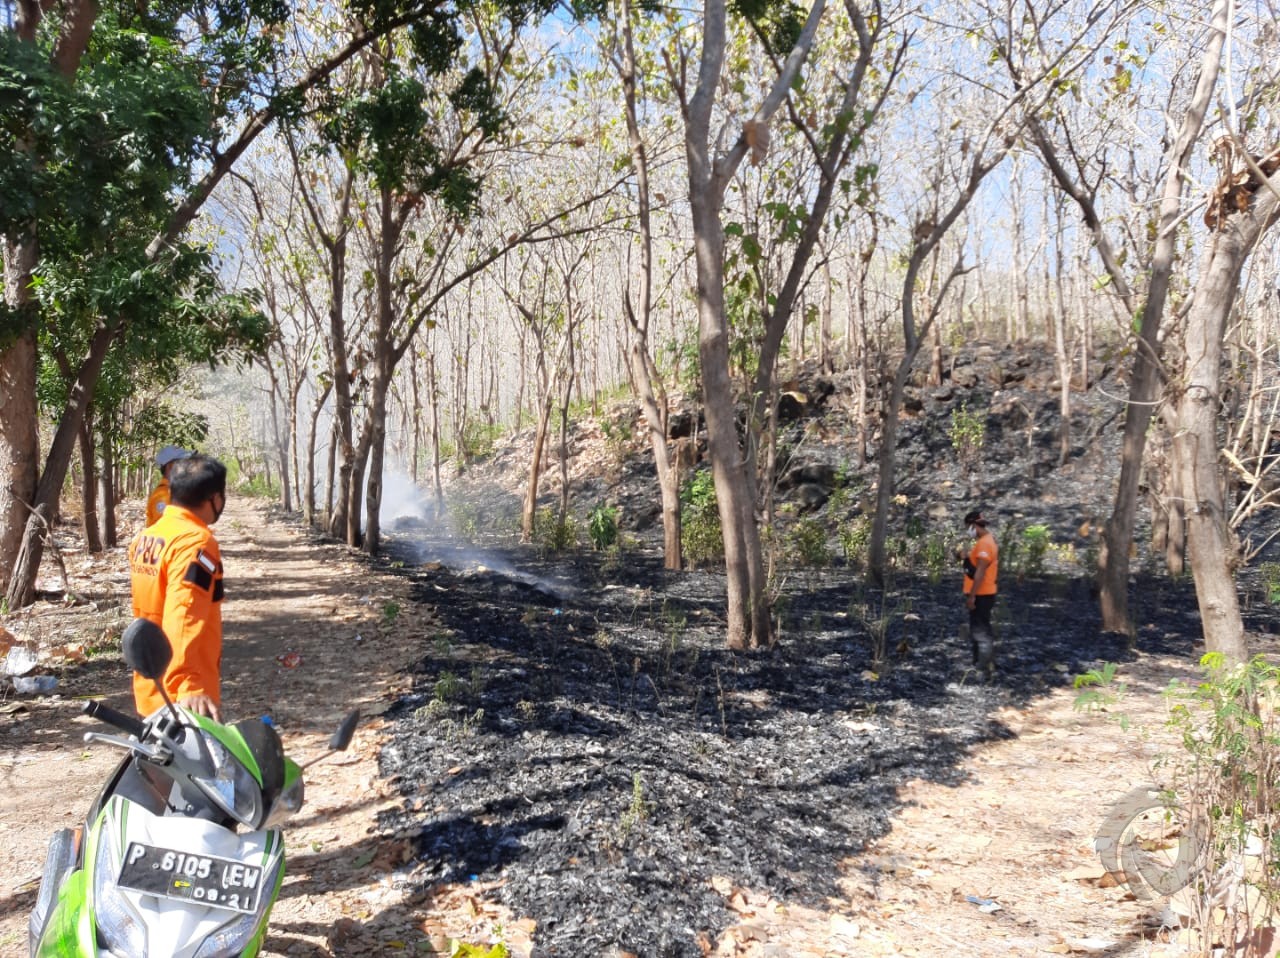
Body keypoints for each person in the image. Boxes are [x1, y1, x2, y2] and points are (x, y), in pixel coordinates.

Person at [129, 454, 227, 720]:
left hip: (151, 685)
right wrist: (188, 684)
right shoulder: (195, 543)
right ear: (215, 498)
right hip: (183, 700)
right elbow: (184, 611)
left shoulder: (147, 537)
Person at [962, 509, 999, 674]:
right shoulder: (986, 541)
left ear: (974, 525)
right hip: (983, 592)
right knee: (979, 627)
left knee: (980, 629)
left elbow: (980, 573)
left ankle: (983, 666)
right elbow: (973, 568)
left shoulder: (985, 544)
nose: (968, 531)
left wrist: (972, 596)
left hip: (982, 593)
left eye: (968, 526)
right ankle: (979, 662)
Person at [146, 445, 193, 526]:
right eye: (183, 463)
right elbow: (164, 529)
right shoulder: (163, 496)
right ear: (170, 466)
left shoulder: (174, 491)